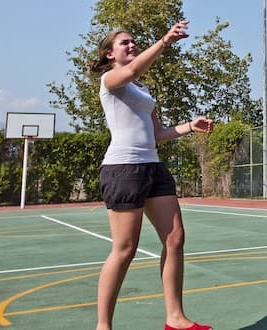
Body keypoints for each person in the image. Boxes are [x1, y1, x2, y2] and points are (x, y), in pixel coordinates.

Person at [89, 20, 213, 330]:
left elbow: (157, 134)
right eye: (124, 43)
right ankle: (103, 326)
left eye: (134, 41)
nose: (132, 45)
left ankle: (175, 318)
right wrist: (165, 41)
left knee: (175, 238)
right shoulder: (110, 79)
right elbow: (132, 70)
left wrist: (189, 126)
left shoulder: (142, 89)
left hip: (153, 167)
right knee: (125, 249)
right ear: (109, 54)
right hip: (123, 168)